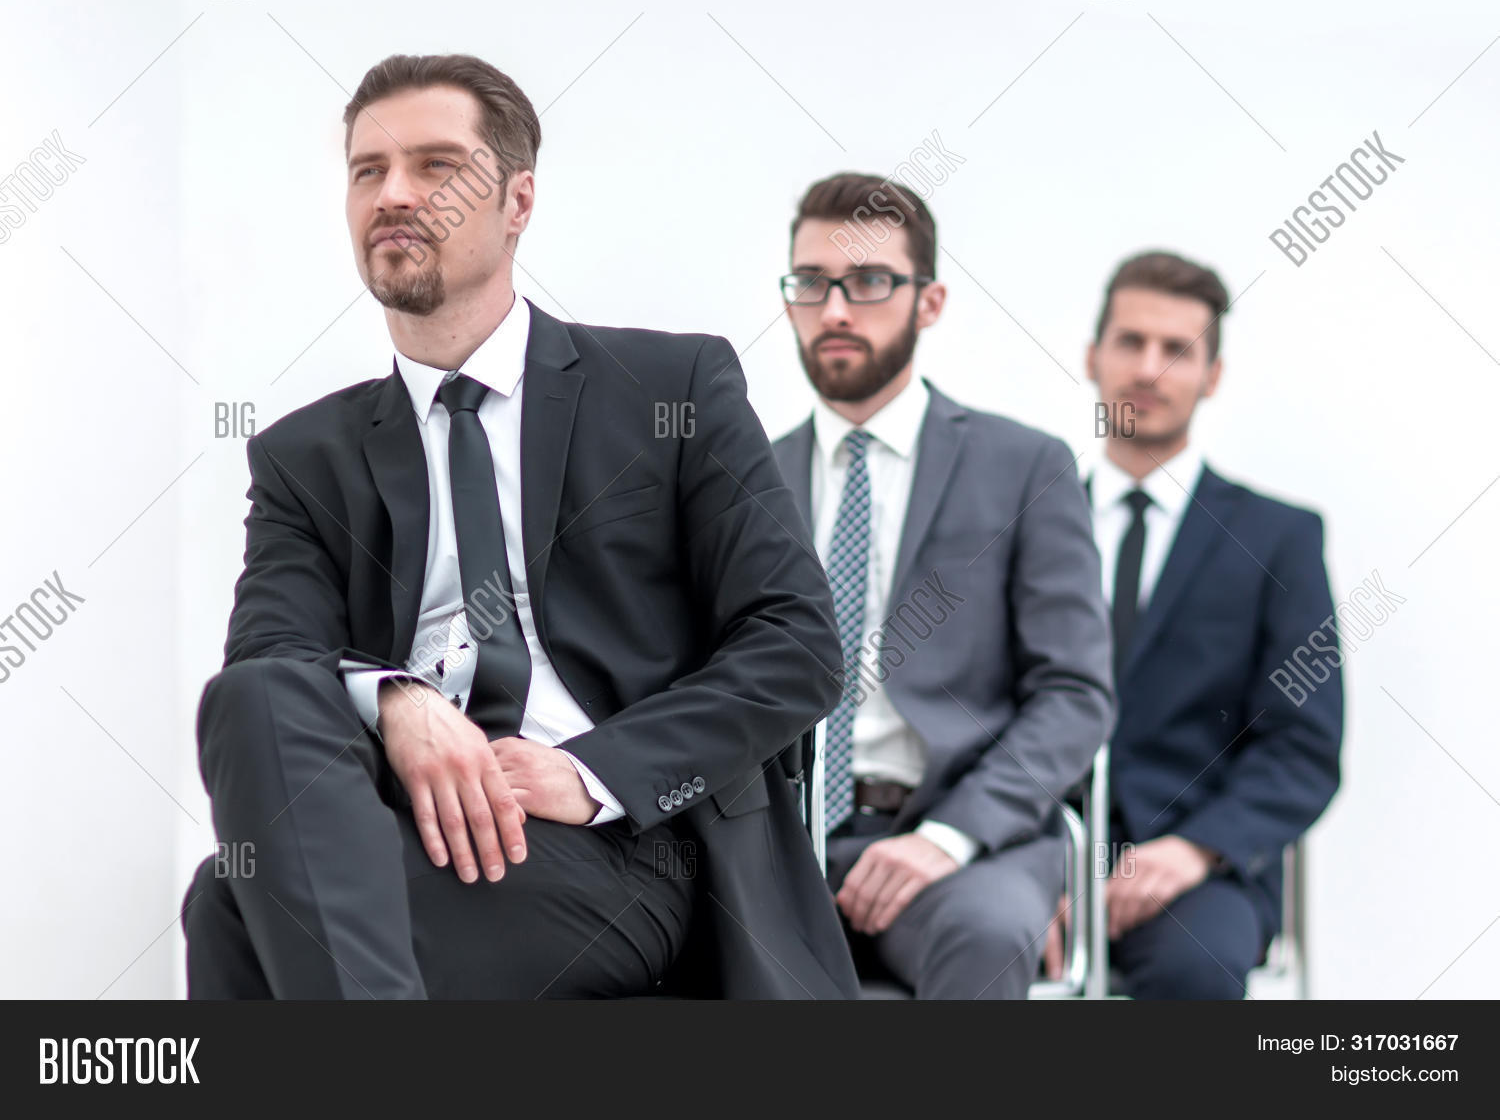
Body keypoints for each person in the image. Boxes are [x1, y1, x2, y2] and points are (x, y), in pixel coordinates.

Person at [181, 53, 858, 1000]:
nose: (393, 194)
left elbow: (797, 644)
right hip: (398, 826)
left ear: (518, 201)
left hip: (620, 845)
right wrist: (399, 703)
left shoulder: (671, 389)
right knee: (251, 706)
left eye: (435, 165)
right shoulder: (306, 458)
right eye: (369, 170)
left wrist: (591, 775)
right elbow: (274, 663)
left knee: (232, 910)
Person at [772, 173, 1114, 999]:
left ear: (929, 302)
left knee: (986, 935)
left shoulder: (1025, 467)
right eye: (811, 283)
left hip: (962, 841)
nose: (836, 310)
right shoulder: (746, 478)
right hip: (778, 842)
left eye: (869, 282)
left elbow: (1074, 695)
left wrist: (951, 837)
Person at [1046, 250, 1343, 999]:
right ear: (1092, 357)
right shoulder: (1027, 525)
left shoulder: (1279, 539)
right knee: (961, 942)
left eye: (1177, 349)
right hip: (1031, 854)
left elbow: (1303, 744)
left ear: (1213, 376)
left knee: (1197, 969)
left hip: (1197, 868)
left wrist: (1195, 849)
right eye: (1131, 342)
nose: (1150, 369)